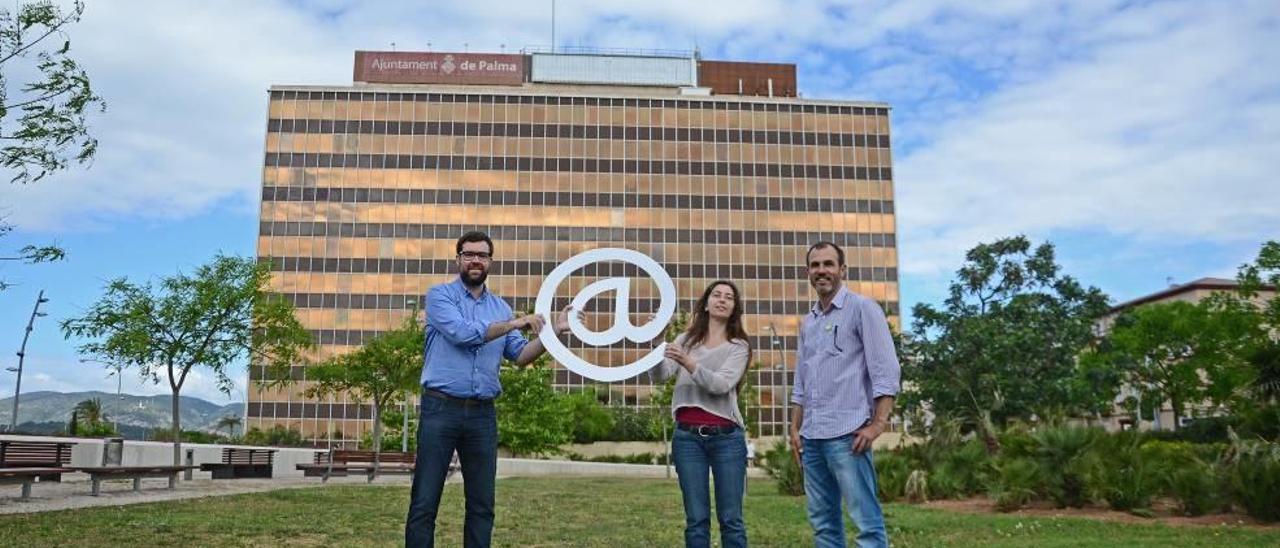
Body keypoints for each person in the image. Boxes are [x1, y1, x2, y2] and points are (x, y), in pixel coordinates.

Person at [405, 231, 573, 548]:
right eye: (469, 254)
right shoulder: (440, 297)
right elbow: (463, 334)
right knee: (425, 502)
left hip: (482, 415)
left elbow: (521, 355)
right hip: (441, 410)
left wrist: (554, 335)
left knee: (482, 505)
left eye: (482, 255)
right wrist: (514, 323)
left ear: (490, 262)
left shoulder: (501, 308)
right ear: (458, 259)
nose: (475, 261)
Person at [789, 241, 901, 548]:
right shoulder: (808, 322)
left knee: (866, 523)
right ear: (808, 272)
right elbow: (802, 381)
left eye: (828, 264)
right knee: (823, 526)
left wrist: (878, 424)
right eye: (815, 265)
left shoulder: (863, 309)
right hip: (812, 438)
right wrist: (795, 429)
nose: (821, 270)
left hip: (848, 436)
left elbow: (886, 371)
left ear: (842, 270)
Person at [652, 280, 753, 548]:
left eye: (728, 297)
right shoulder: (685, 339)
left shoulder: (739, 346)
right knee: (696, 520)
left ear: (734, 307)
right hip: (687, 439)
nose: (722, 300)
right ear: (706, 303)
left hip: (727, 439)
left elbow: (720, 385)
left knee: (731, 519)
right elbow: (660, 375)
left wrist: (687, 361)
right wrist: (656, 340)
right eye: (716, 295)